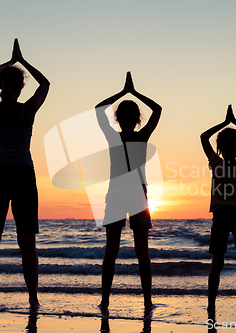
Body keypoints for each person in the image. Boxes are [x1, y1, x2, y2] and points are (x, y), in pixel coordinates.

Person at [0, 39, 50, 309]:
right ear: (20, 87)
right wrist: (21, 61)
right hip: (22, 176)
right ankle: (33, 299)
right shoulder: (26, 110)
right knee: (26, 241)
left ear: (0, 85)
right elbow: (45, 85)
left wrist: (8, 63)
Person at [95, 72, 162, 314]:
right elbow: (158, 110)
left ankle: (105, 301)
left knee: (111, 251)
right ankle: (146, 302)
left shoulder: (114, 138)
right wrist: (133, 93)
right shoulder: (142, 136)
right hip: (136, 194)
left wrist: (124, 93)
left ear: (118, 118)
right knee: (141, 252)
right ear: (137, 119)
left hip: (118, 194)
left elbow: (98, 109)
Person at [200, 105, 236, 317]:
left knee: (217, 262)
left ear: (219, 147)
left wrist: (225, 123)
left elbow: (203, 137)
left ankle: (211, 305)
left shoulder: (215, 161)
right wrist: (235, 123)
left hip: (221, 215)